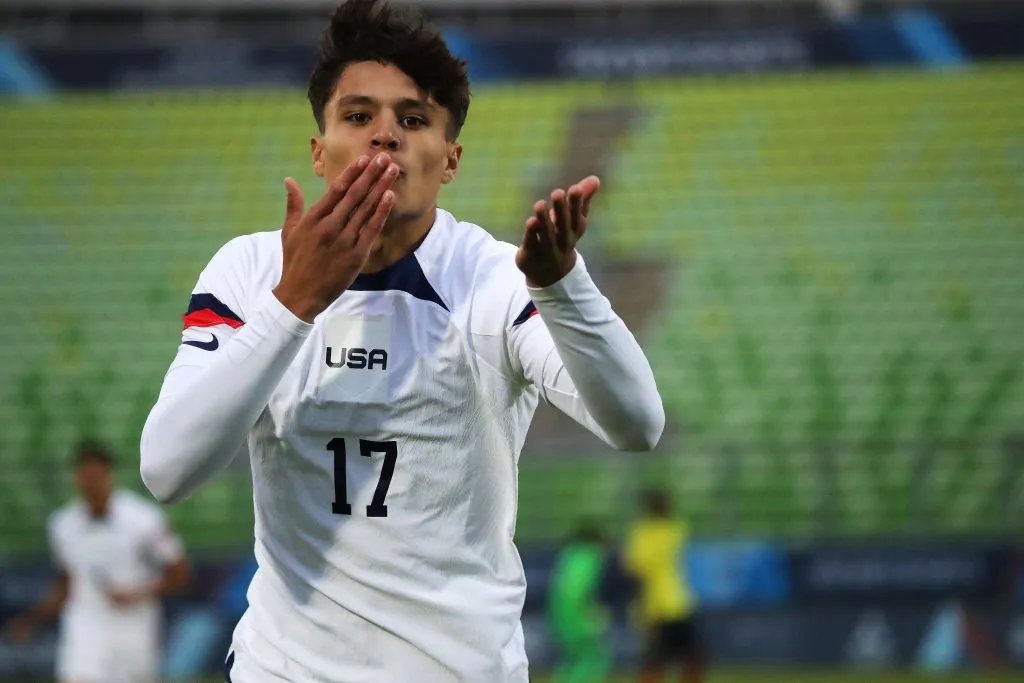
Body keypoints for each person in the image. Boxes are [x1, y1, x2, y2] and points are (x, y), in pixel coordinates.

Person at [138, 0, 664, 680]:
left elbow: (636, 424)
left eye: (413, 120)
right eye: (358, 116)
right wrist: (295, 302)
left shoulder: (496, 278)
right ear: (319, 149)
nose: (384, 137)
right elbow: (167, 469)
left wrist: (562, 284)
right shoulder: (249, 272)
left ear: (450, 159)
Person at [7, 440, 191, 683]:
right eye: (84, 475)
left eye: (96, 474)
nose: (90, 482)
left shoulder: (144, 519)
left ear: (109, 474)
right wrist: (31, 618)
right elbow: (66, 584)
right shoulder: (63, 525)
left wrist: (137, 593)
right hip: (85, 628)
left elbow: (180, 572)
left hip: (134, 631)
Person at [623, 488, 704, 683]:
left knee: (655, 659)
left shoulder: (641, 534)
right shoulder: (675, 529)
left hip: (655, 605)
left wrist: (638, 606)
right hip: (678, 601)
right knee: (691, 657)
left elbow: (634, 571)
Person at [547, 521, 612, 683]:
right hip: (576, 615)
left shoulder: (568, 555)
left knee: (572, 660)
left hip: (558, 615)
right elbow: (578, 592)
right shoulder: (591, 557)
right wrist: (591, 618)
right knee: (594, 659)